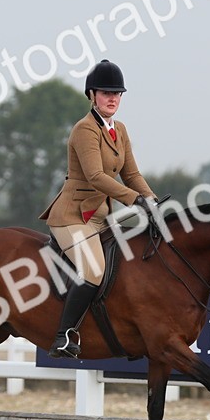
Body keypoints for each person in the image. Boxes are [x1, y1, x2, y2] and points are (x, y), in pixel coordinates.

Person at [38, 59, 158, 358]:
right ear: (92, 95)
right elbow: (96, 177)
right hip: (72, 216)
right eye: (106, 93)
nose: (113, 98)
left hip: (101, 218)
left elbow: (131, 173)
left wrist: (151, 200)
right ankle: (63, 336)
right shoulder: (84, 129)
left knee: (125, 267)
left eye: (117, 93)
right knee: (93, 270)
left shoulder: (121, 130)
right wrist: (134, 200)